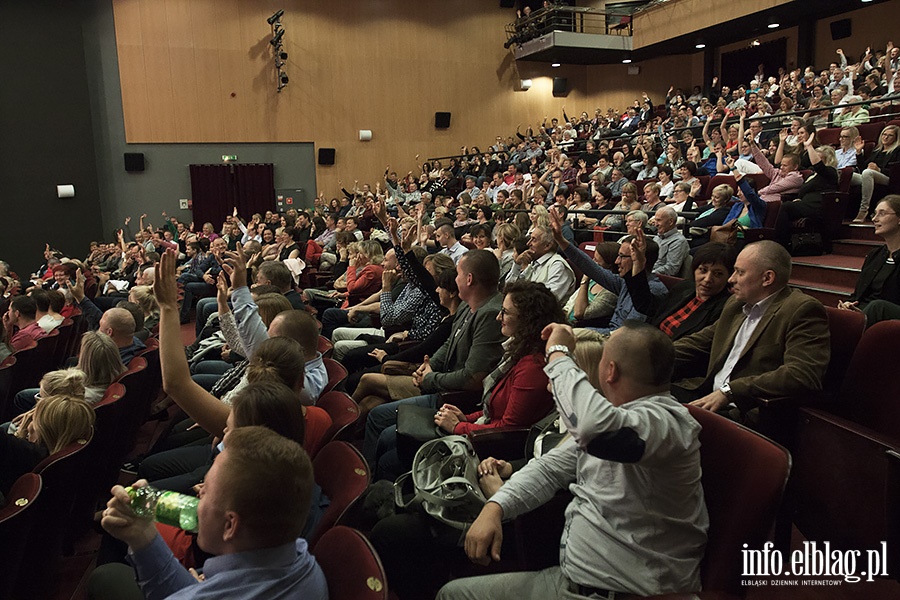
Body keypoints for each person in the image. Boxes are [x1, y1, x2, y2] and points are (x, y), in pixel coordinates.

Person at [436, 321, 708, 599]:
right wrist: (496, 506)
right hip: (572, 578)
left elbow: (593, 428)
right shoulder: (622, 416)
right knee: (452, 594)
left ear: (610, 371)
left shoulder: (668, 422)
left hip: (625, 591)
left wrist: (557, 353)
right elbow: (549, 470)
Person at [94, 426, 328, 600]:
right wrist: (142, 535)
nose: (198, 492)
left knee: (104, 577)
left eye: (205, 490)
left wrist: (196, 588)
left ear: (230, 526)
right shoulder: (299, 552)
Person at [364, 249, 505, 481]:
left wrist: (430, 378)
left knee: (380, 421)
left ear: (469, 279)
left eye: (458, 274)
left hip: (454, 398)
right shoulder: (468, 306)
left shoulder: (489, 314)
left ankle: (371, 485)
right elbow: (449, 343)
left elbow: (473, 377)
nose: (455, 280)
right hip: (440, 385)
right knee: (377, 412)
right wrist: (427, 367)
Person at [672, 241, 830, 427]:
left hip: (744, 409)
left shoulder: (801, 310)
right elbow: (698, 342)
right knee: (640, 393)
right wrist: (645, 353)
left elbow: (803, 374)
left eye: (740, 272)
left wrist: (730, 391)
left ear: (767, 278)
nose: (731, 279)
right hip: (704, 392)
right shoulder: (735, 304)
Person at [550, 208, 666, 334]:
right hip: (609, 332)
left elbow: (627, 333)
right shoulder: (624, 281)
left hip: (621, 342)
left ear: (639, 259)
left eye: (622, 256)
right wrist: (561, 240)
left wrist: (583, 333)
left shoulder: (653, 290)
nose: (616, 261)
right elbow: (590, 267)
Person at [628, 236, 736, 340]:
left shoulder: (724, 308)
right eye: (703, 270)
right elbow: (646, 305)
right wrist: (639, 263)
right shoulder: (684, 288)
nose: (708, 279)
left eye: (718, 274)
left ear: (729, 277)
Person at [0, 394, 95, 497]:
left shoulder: (24, 454)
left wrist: (19, 433)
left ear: (44, 430)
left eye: (33, 419)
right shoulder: (63, 463)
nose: (28, 423)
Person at [838, 195, 900, 326]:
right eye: (875, 213)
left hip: (890, 316)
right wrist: (850, 303)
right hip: (867, 312)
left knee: (878, 307)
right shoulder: (875, 255)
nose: (874, 219)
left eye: (882, 213)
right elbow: (858, 294)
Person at [504, 225, 575, 302]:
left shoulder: (558, 266)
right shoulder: (534, 263)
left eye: (533, 240)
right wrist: (517, 264)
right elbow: (509, 288)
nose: (528, 243)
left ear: (547, 246)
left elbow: (547, 301)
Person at [852, 124, 900, 222]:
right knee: (849, 175)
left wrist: (879, 170)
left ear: (895, 138)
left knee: (868, 173)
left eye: (890, 135)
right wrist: (859, 152)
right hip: (869, 175)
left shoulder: (897, 150)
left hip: (888, 179)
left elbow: (897, 171)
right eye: (884, 134)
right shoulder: (877, 150)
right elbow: (863, 169)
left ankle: (864, 209)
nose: (885, 137)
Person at [652, 206, 689, 276]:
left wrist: (649, 274)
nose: (655, 224)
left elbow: (671, 269)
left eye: (659, 220)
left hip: (661, 280)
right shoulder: (656, 238)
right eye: (655, 220)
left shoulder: (678, 241)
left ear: (670, 222)